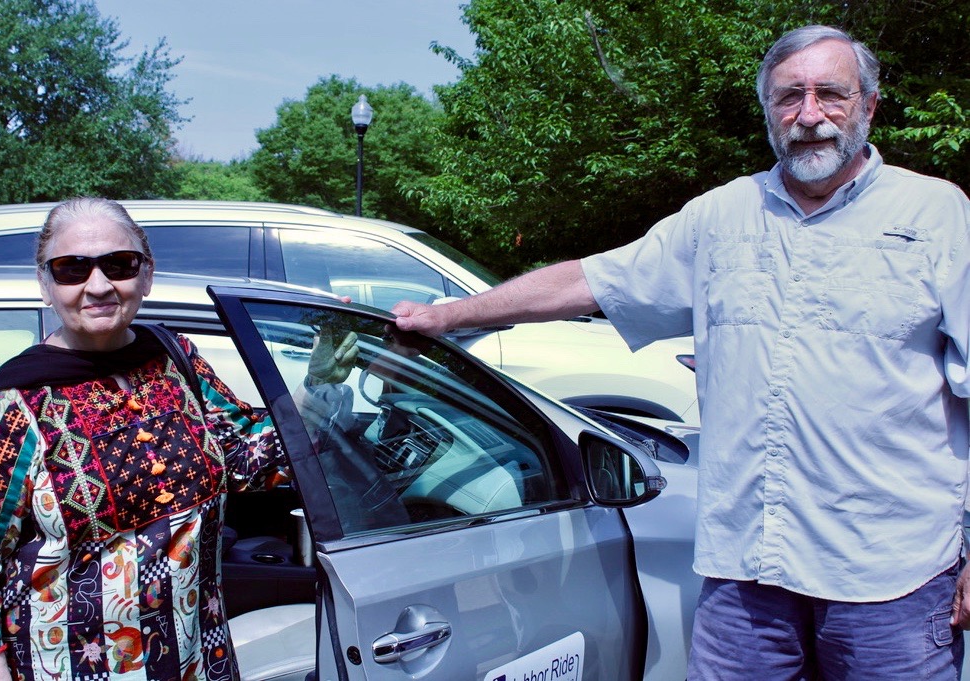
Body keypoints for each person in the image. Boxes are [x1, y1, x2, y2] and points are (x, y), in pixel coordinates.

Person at [393, 25, 970, 679]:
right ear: (767, 111)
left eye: (830, 94)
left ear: (868, 105)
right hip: (747, 576)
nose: (808, 115)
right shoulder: (720, 217)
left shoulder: (938, 217)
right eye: (788, 97)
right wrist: (449, 315)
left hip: (889, 581)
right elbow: (589, 280)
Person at [0, 197, 352, 680]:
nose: (98, 286)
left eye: (119, 265)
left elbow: (245, 458)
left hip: (198, 660)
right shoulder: (15, 406)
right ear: (45, 284)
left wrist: (315, 388)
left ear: (146, 274)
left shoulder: (174, 359)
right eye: (71, 269)